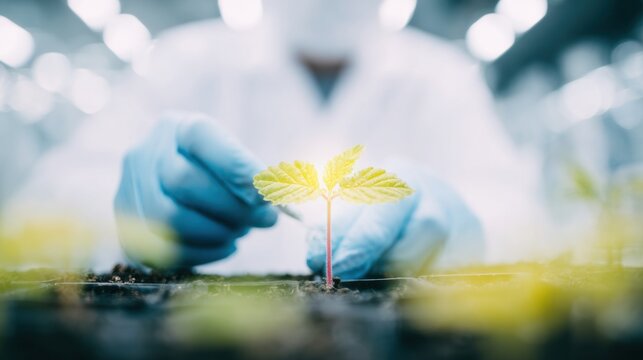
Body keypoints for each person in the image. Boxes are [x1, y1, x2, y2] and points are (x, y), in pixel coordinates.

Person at [5, 0, 540, 277]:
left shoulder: (442, 77)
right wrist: (122, 217)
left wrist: (461, 227)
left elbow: (525, 216)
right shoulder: (182, 62)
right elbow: (44, 207)